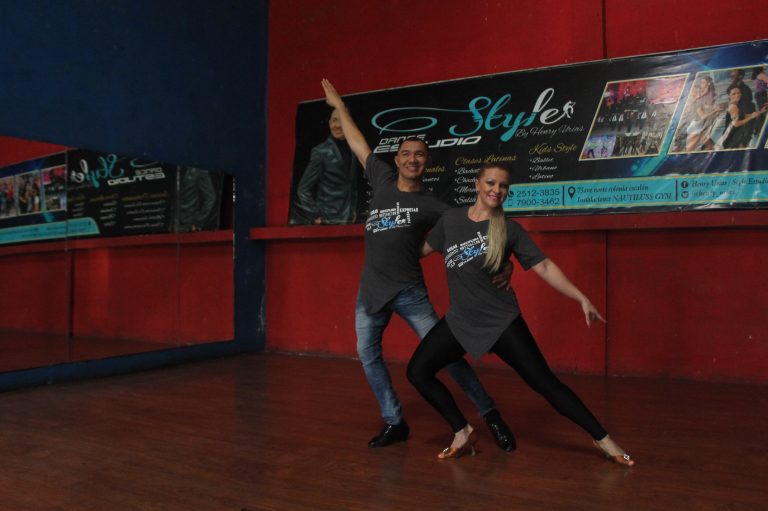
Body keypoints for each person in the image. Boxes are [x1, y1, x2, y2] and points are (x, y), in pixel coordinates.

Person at [321, 79, 516, 451]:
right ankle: (395, 422)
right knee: (368, 355)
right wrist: (339, 106)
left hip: (409, 292)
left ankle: (490, 413)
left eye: (420, 155)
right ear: (397, 160)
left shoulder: (434, 206)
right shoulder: (381, 178)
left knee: (449, 358)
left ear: (426, 162)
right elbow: (357, 141)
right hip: (370, 291)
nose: (412, 159)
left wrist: (506, 262)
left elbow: (476, 228)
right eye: (406, 154)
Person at [407, 163, 635, 466]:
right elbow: (416, 252)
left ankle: (604, 440)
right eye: (491, 183)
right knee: (418, 372)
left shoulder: (509, 230)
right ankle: (462, 431)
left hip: (501, 321)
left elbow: (545, 266)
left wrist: (580, 297)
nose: (496, 190)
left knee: (544, 383)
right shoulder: (450, 221)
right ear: (477, 184)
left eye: (503, 186)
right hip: (461, 321)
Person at [292, 108, 360, 225]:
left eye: (341, 120)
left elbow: (351, 183)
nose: (337, 125)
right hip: (327, 221)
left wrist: (353, 210)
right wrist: (316, 216)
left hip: (348, 219)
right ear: (329, 123)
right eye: (334, 120)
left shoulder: (354, 149)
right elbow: (303, 189)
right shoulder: (321, 151)